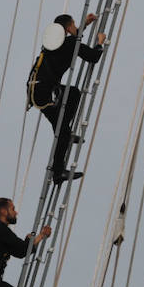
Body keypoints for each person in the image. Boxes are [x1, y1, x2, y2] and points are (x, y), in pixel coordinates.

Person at [26, 13, 107, 184]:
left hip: (40, 88)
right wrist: (100, 43)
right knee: (61, 131)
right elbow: (93, 57)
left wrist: (84, 24)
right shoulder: (68, 43)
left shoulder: (53, 43)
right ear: (68, 28)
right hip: (44, 91)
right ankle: (58, 173)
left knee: (74, 94)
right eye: (74, 25)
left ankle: (66, 133)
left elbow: (72, 40)